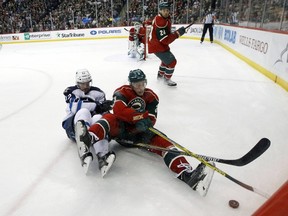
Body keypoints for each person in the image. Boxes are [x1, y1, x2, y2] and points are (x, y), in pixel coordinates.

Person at [75, 69, 214, 195]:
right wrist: (141, 116)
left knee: (164, 141)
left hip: (140, 133)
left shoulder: (151, 96)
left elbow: (152, 118)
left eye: (142, 83)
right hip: (121, 132)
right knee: (110, 117)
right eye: (136, 85)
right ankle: (89, 138)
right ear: (131, 84)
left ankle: (187, 174)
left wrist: (147, 121)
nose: (140, 88)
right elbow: (119, 111)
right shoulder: (121, 92)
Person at [62, 68, 115, 176]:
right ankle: (83, 149)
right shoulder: (71, 91)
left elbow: (103, 112)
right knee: (84, 111)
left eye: (87, 83)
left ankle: (102, 156)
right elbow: (75, 107)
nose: (85, 86)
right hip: (72, 125)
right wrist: (97, 106)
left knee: (98, 118)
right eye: (82, 84)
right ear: (77, 83)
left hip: (91, 130)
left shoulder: (98, 93)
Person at [148, 1, 186, 86]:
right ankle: (167, 79)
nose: (166, 12)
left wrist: (176, 32)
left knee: (166, 61)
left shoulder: (162, 18)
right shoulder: (160, 21)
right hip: (157, 46)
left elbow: (166, 33)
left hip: (157, 45)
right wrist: (177, 33)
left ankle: (160, 75)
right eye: (164, 10)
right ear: (160, 10)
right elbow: (165, 40)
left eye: (167, 10)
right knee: (172, 62)